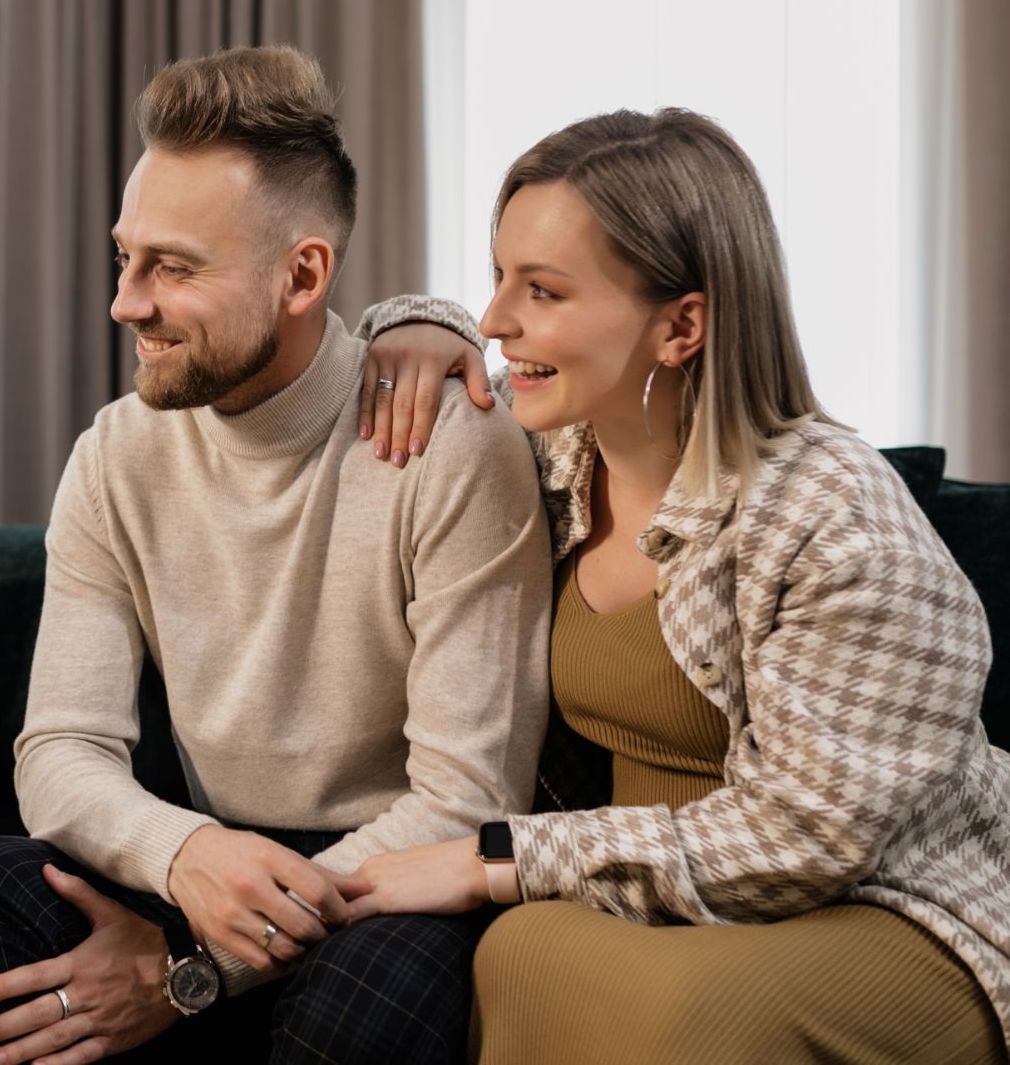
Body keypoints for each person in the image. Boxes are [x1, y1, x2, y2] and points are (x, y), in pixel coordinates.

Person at [0, 46, 552, 1064]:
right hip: (215, 858)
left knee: (371, 985)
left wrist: (190, 966)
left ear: (302, 275)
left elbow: (468, 800)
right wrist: (187, 852)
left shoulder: (451, 444)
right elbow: (60, 751)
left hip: (393, 875)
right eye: (126, 256)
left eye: (173, 267)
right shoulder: (116, 453)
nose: (125, 301)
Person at [350, 107, 1010, 1062]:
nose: (497, 320)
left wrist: (499, 860)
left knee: (674, 1015)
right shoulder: (552, 465)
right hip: (650, 901)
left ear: (682, 325)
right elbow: (383, 380)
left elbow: (810, 838)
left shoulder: (837, 517)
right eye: (497, 278)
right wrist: (419, 323)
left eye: (541, 289)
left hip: (885, 909)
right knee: (525, 953)